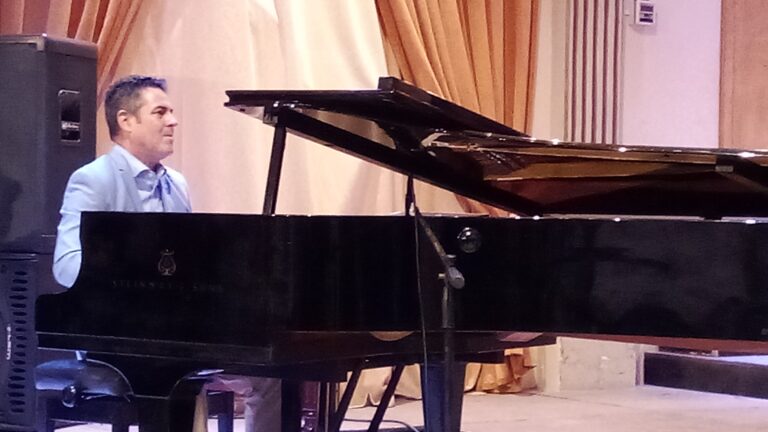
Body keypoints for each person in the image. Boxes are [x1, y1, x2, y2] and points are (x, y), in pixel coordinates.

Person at [52, 74, 279, 432]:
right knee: (181, 370)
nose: (173, 121)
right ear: (126, 120)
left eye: (171, 112)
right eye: (160, 112)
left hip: (177, 329)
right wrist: (135, 283)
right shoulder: (93, 179)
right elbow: (66, 265)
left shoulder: (177, 183)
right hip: (116, 332)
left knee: (271, 371)